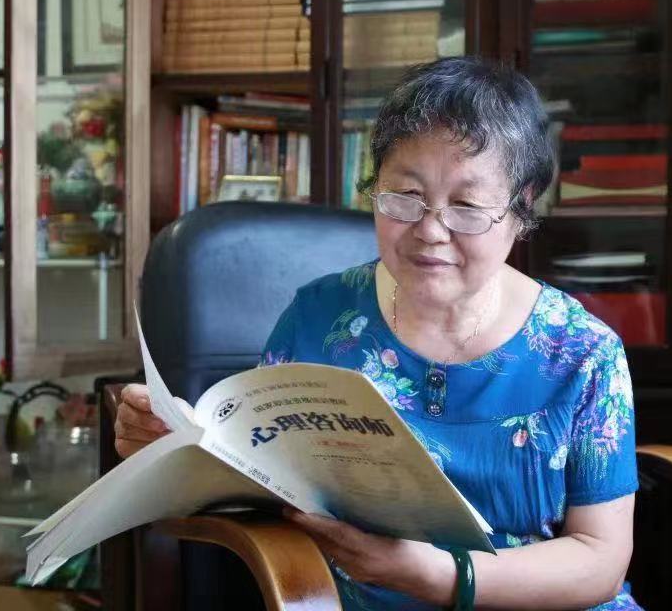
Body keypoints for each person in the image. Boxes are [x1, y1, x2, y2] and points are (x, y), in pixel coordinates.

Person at [115, 57, 640, 610]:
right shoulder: (319, 316)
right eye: (405, 196)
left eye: (466, 205)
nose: (430, 230)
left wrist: (438, 576)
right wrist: (177, 451)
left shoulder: (583, 352)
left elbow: (600, 559)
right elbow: (265, 478)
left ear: (521, 205)